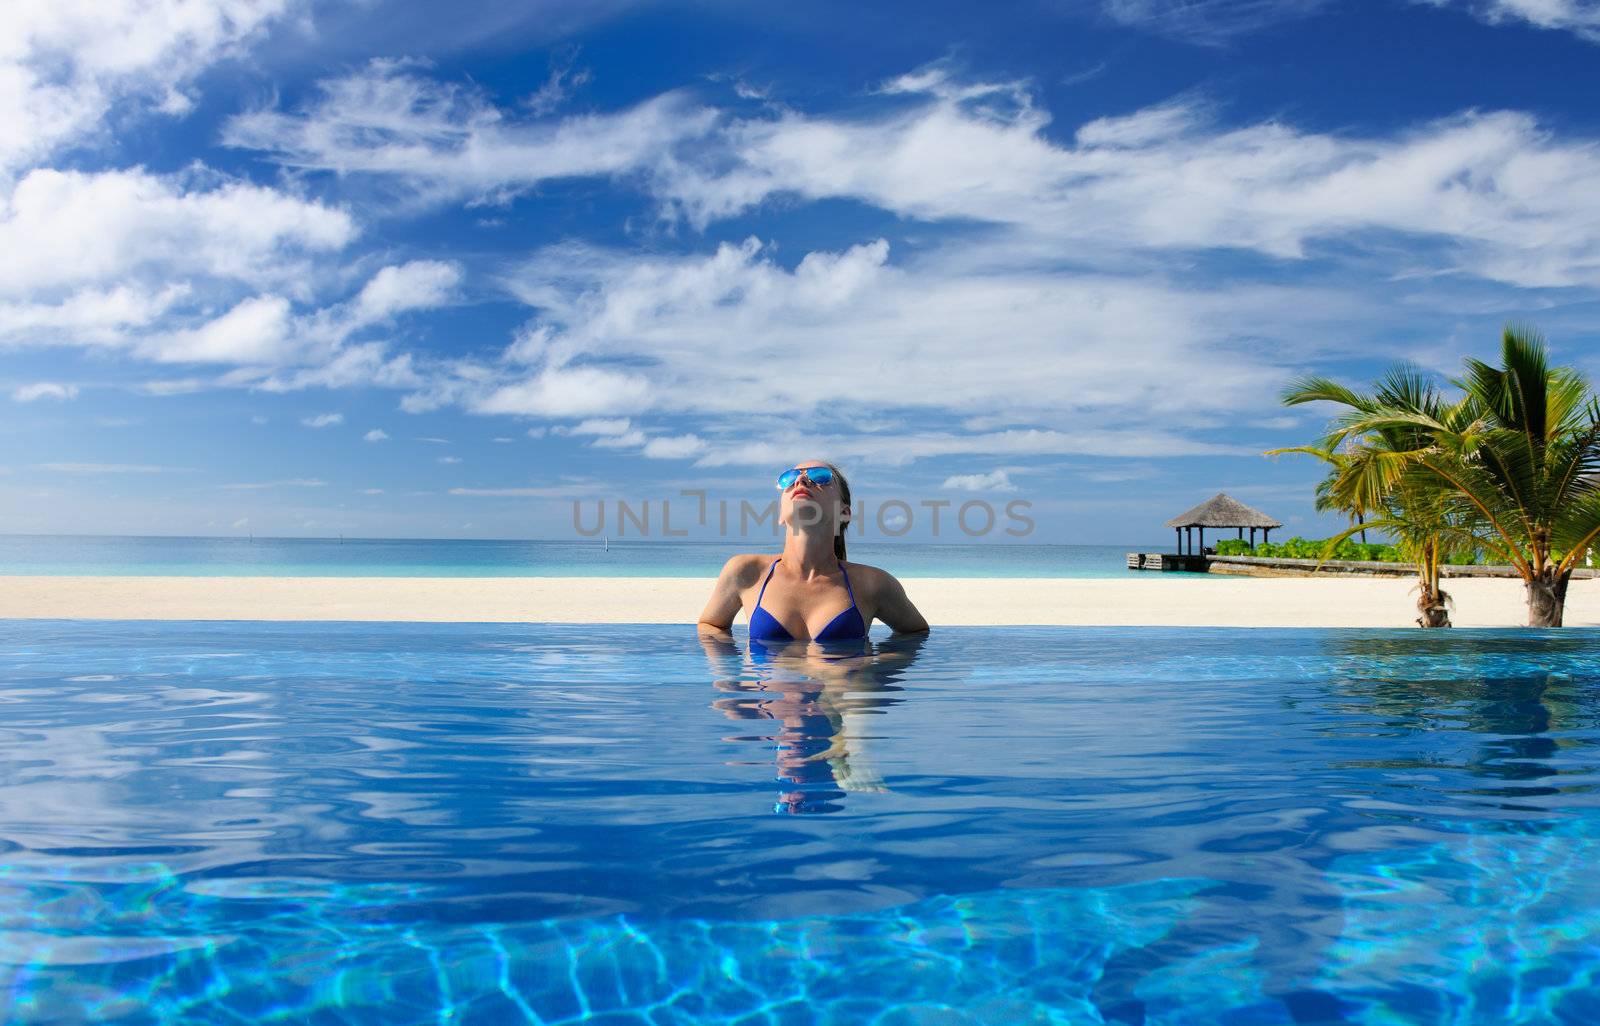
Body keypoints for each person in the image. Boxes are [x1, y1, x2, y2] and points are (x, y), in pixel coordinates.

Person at [697, 460, 929, 641]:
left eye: (820, 477)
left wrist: (873, 670)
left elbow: (916, 633)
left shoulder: (873, 583)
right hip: (771, 701)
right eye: (790, 479)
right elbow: (710, 626)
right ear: (779, 514)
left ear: (844, 513)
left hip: (842, 701)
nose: (801, 482)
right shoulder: (746, 572)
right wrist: (731, 680)